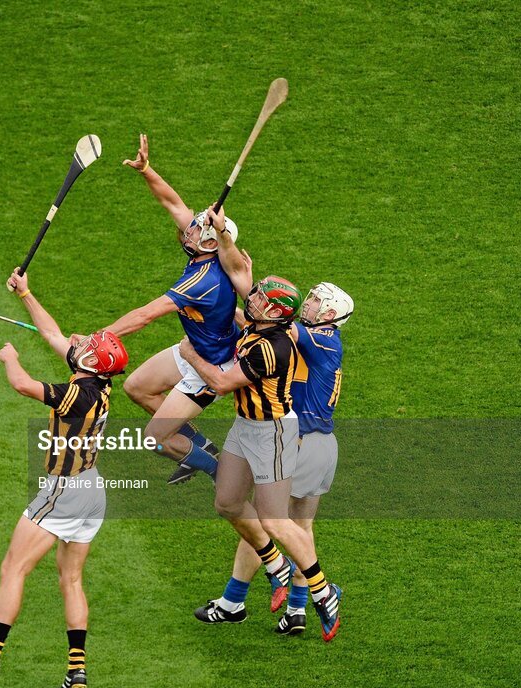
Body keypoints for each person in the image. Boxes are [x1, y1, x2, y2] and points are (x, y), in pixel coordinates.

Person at [0, 269, 129, 688]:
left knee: (14, 566)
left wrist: (10, 357)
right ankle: (77, 671)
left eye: (85, 344)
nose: (79, 338)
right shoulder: (98, 384)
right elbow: (52, 333)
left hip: (64, 490)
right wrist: (25, 293)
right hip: (91, 489)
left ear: (87, 361)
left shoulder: (75, 393)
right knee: (71, 579)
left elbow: (24, 385)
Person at [178, 273, 343, 641]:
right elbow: (244, 309)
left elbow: (221, 383)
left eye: (259, 297)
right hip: (248, 426)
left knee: (280, 522)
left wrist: (190, 350)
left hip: (282, 434)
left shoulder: (283, 344)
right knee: (228, 502)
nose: (251, 297)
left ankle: (320, 591)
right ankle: (273, 575)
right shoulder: (269, 327)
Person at [78, 134, 247, 485]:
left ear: (213, 243)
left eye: (199, 228)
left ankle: (220, 472)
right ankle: (202, 446)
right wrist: (147, 170)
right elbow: (174, 204)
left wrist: (98, 338)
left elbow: (145, 315)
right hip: (196, 348)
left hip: (210, 365)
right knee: (137, 388)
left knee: (154, 439)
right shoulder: (205, 249)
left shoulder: (203, 280)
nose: (190, 228)